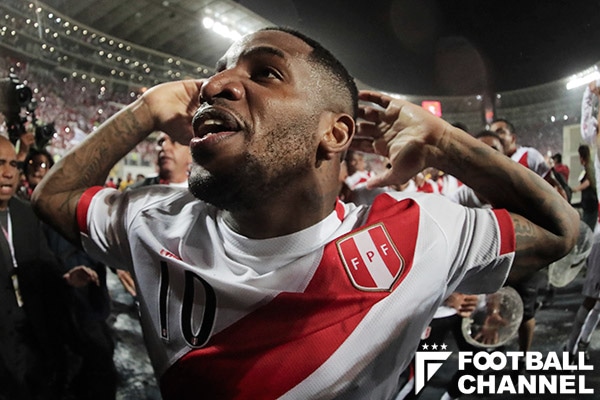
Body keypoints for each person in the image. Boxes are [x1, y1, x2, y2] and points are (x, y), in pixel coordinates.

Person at [32, 27, 578, 400]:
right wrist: (147, 108)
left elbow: (560, 229)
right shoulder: (156, 220)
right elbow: (52, 198)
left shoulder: (415, 230)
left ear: (335, 133)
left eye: (266, 73)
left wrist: (445, 142)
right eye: (218, 73)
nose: (213, 86)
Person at [0, 135, 99, 400]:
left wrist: (65, 278)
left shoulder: (26, 213)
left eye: (13, 164)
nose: (8, 172)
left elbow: (45, 262)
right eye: (0, 163)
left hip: (32, 335)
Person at [18, 146, 118, 399]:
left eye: (44, 166)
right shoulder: (19, 211)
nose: (38, 171)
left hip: (81, 303)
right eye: (33, 166)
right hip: (48, 309)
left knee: (96, 364)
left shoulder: (65, 207)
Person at [490, 118, 565, 359]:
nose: (496, 135)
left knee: (526, 309)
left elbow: (555, 189)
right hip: (499, 242)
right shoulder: (490, 162)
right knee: (497, 303)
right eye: (492, 132)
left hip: (526, 244)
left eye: (500, 131)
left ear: (513, 137)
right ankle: (497, 350)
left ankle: (523, 358)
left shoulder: (529, 156)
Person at [565, 80, 600, 361]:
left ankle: (583, 342)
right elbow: (587, 122)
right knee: (592, 297)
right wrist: (590, 93)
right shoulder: (594, 139)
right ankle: (572, 347)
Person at [572, 144, 598, 231]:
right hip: (588, 204)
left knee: (587, 229)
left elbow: (588, 182)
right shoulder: (588, 166)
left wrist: (576, 189)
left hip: (591, 204)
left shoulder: (589, 167)